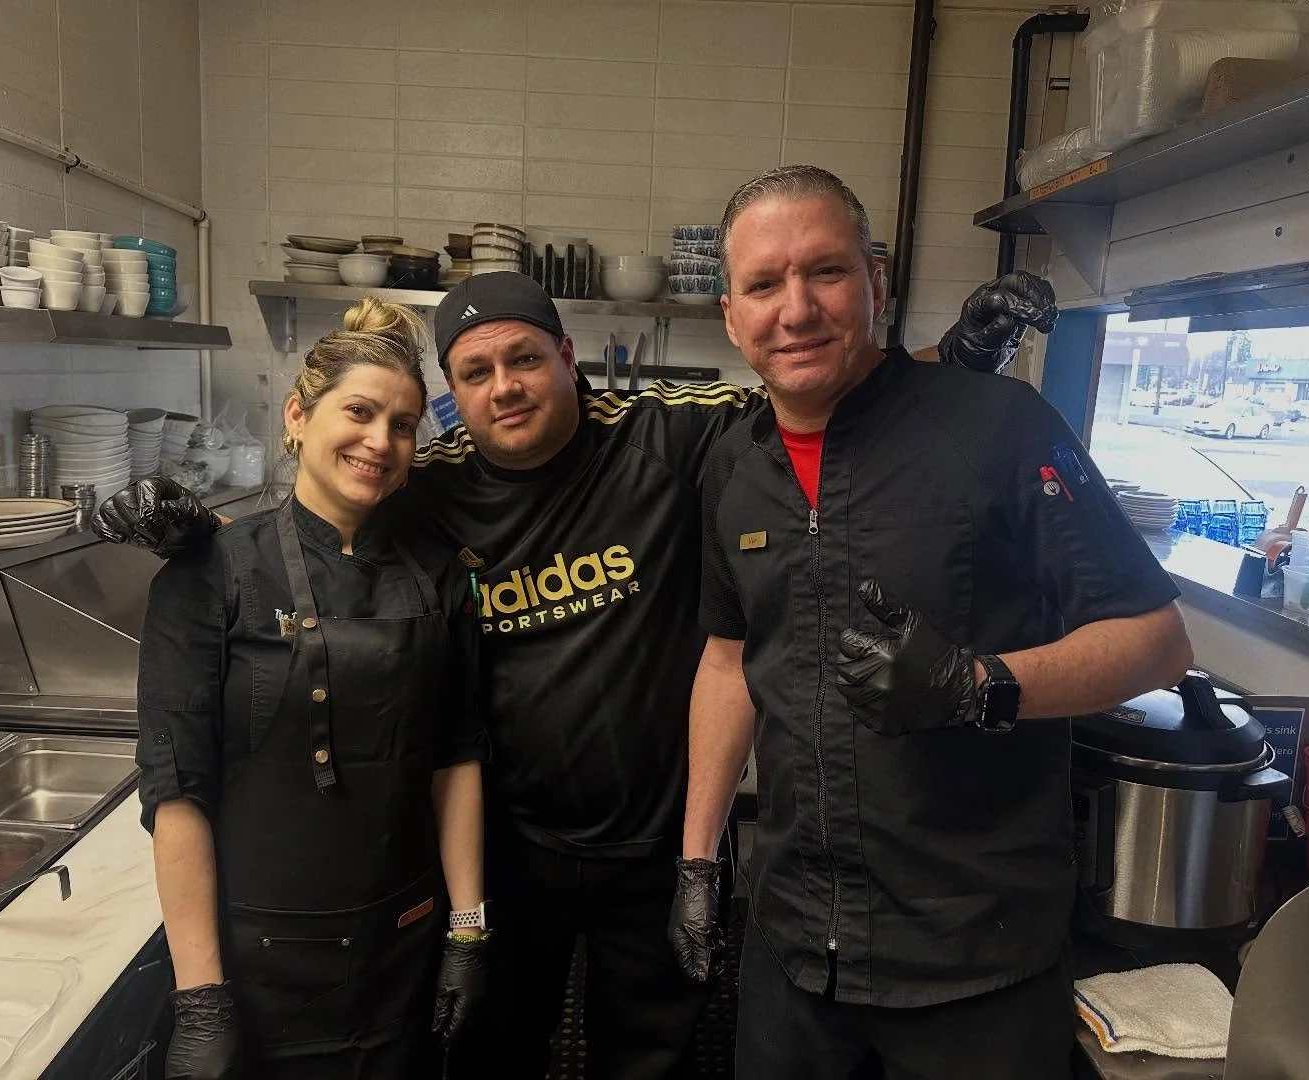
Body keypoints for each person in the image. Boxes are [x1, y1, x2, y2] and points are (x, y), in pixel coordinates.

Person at [98, 263, 1057, 1080]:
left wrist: (955, 360)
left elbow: (806, 393)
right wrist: (206, 539)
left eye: (524, 358)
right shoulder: (430, 484)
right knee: (491, 1055)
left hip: (656, 845)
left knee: (653, 1060)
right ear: (453, 392)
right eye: (475, 373)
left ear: (569, 356)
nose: (505, 387)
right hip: (508, 846)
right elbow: (323, 515)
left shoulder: (664, 434)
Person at [669, 165, 1195, 1080]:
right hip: (795, 950)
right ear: (731, 315)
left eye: (825, 272)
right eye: (763, 284)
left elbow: (1158, 645)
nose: (796, 309)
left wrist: (977, 685)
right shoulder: (733, 468)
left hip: (977, 958)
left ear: (874, 282)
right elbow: (727, 663)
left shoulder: (1000, 428)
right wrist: (697, 862)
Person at [136, 302, 490, 1080]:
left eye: (403, 425)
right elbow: (176, 790)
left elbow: (456, 756)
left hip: (402, 946)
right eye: (359, 412)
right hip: (256, 968)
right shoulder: (209, 575)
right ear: (298, 416)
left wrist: (467, 930)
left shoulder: (438, 573)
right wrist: (202, 999)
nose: (381, 441)